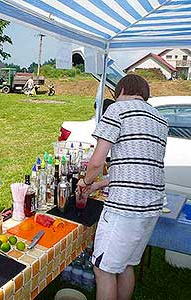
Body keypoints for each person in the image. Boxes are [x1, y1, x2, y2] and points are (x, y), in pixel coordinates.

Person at [78, 74, 168, 300]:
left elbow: (97, 161)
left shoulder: (118, 110)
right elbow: (135, 167)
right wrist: (98, 184)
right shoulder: (160, 119)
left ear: (121, 91)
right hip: (151, 207)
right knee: (126, 264)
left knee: (103, 268)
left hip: (126, 208)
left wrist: (86, 181)